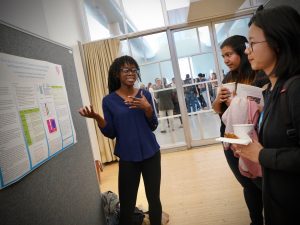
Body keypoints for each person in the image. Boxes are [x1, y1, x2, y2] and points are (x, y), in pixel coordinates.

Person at [234, 6, 300, 225]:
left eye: (252, 43)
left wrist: (261, 155)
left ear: (277, 43)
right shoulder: (272, 91)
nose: (247, 51)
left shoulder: (295, 88)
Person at [78, 55, 162, 225]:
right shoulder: (109, 101)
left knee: (154, 199)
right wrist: (97, 118)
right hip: (128, 158)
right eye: (126, 70)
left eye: (134, 70)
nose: (131, 73)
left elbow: (153, 125)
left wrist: (147, 109)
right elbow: (111, 132)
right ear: (117, 73)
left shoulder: (144, 94)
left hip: (151, 154)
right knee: (127, 205)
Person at [212, 35, 268, 225]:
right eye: (223, 56)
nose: (226, 60)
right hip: (231, 136)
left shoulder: (258, 75)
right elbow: (217, 110)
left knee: (260, 181)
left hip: (255, 136)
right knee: (246, 182)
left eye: (229, 54)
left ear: (242, 52)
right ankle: (255, 221)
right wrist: (220, 100)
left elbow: (264, 107)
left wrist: (238, 102)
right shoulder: (228, 78)